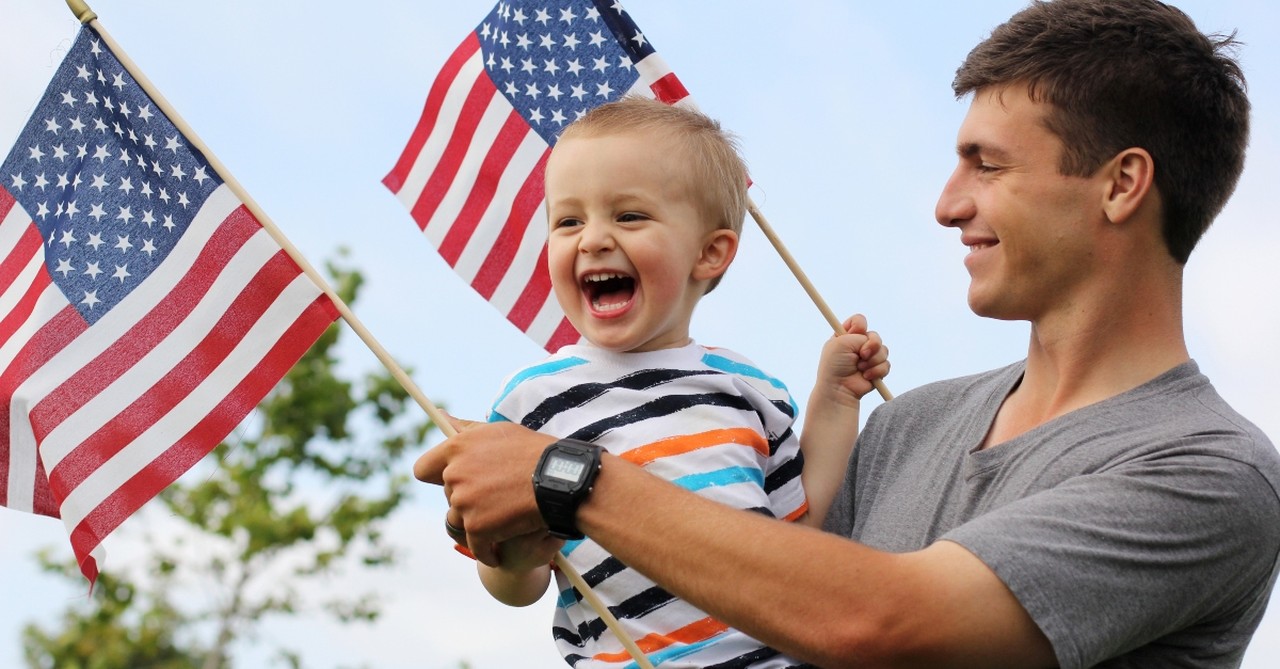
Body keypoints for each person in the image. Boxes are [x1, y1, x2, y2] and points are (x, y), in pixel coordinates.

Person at [418, 1, 1280, 666]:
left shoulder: (1207, 470)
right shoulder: (910, 423)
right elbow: (773, 577)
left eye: (988, 162)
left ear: (1122, 183)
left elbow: (880, 621)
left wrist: (560, 475)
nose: (948, 202)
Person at [458, 96, 888, 668]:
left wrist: (834, 400)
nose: (591, 239)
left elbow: (803, 531)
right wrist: (509, 555)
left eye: (629, 216)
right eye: (568, 220)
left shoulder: (747, 388)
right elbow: (519, 587)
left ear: (710, 253)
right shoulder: (534, 401)